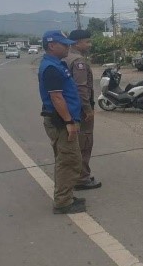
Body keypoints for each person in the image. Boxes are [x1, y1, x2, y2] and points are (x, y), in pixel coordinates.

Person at [38, 30, 85, 214]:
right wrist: (69, 121)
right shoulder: (51, 68)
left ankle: (66, 196)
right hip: (61, 122)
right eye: (64, 44)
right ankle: (63, 202)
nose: (68, 47)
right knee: (69, 161)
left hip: (64, 120)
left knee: (67, 159)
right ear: (52, 45)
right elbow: (57, 97)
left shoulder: (57, 64)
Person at [63, 29, 101, 190]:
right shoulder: (78, 61)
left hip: (68, 107)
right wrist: (87, 109)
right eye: (87, 42)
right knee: (84, 142)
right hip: (79, 109)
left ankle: (76, 175)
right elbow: (81, 88)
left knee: (74, 143)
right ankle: (82, 178)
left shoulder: (65, 57)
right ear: (77, 43)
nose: (90, 45)